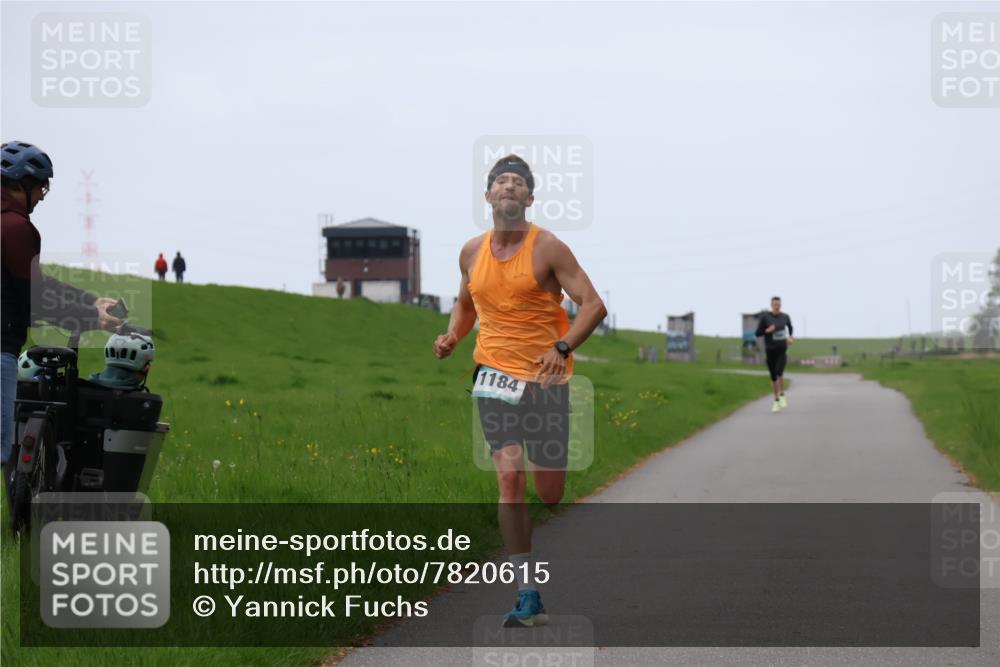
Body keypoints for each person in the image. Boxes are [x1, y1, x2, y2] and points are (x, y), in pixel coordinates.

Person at [433, 154, 606, 627]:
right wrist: (453, 335)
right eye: (500, 181)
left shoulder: (548, 247)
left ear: (529, 198)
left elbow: (593, 305)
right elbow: (466, 303)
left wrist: (564, 346)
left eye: (518, 183)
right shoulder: (471, 251)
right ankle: (527, 592)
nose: (509, 186)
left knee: (549, 492)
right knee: (510, 478)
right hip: (492, 375)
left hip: (546, 378)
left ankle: (547, 483)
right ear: (488, 196)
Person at [1, 140, 124, 502]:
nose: (42, 195)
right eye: (41, 185)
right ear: (22, 183)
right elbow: (34, 298)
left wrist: (88, 301)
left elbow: (34, 283)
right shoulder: (17, 229)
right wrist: (92, 318)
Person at [755, 296, 794, 412]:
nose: (777, 306)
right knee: (773, 377)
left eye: (778, 304)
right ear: (771, 305)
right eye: (775, 305)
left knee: (779, 372)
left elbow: (790, 327)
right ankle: (776, 400)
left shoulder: (785, 317)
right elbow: (757, 333)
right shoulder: (765, 318)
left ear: (780, 305)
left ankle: (782, 395)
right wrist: (767, 331)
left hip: (781, 350)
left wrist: (790, 337)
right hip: (770, 350)